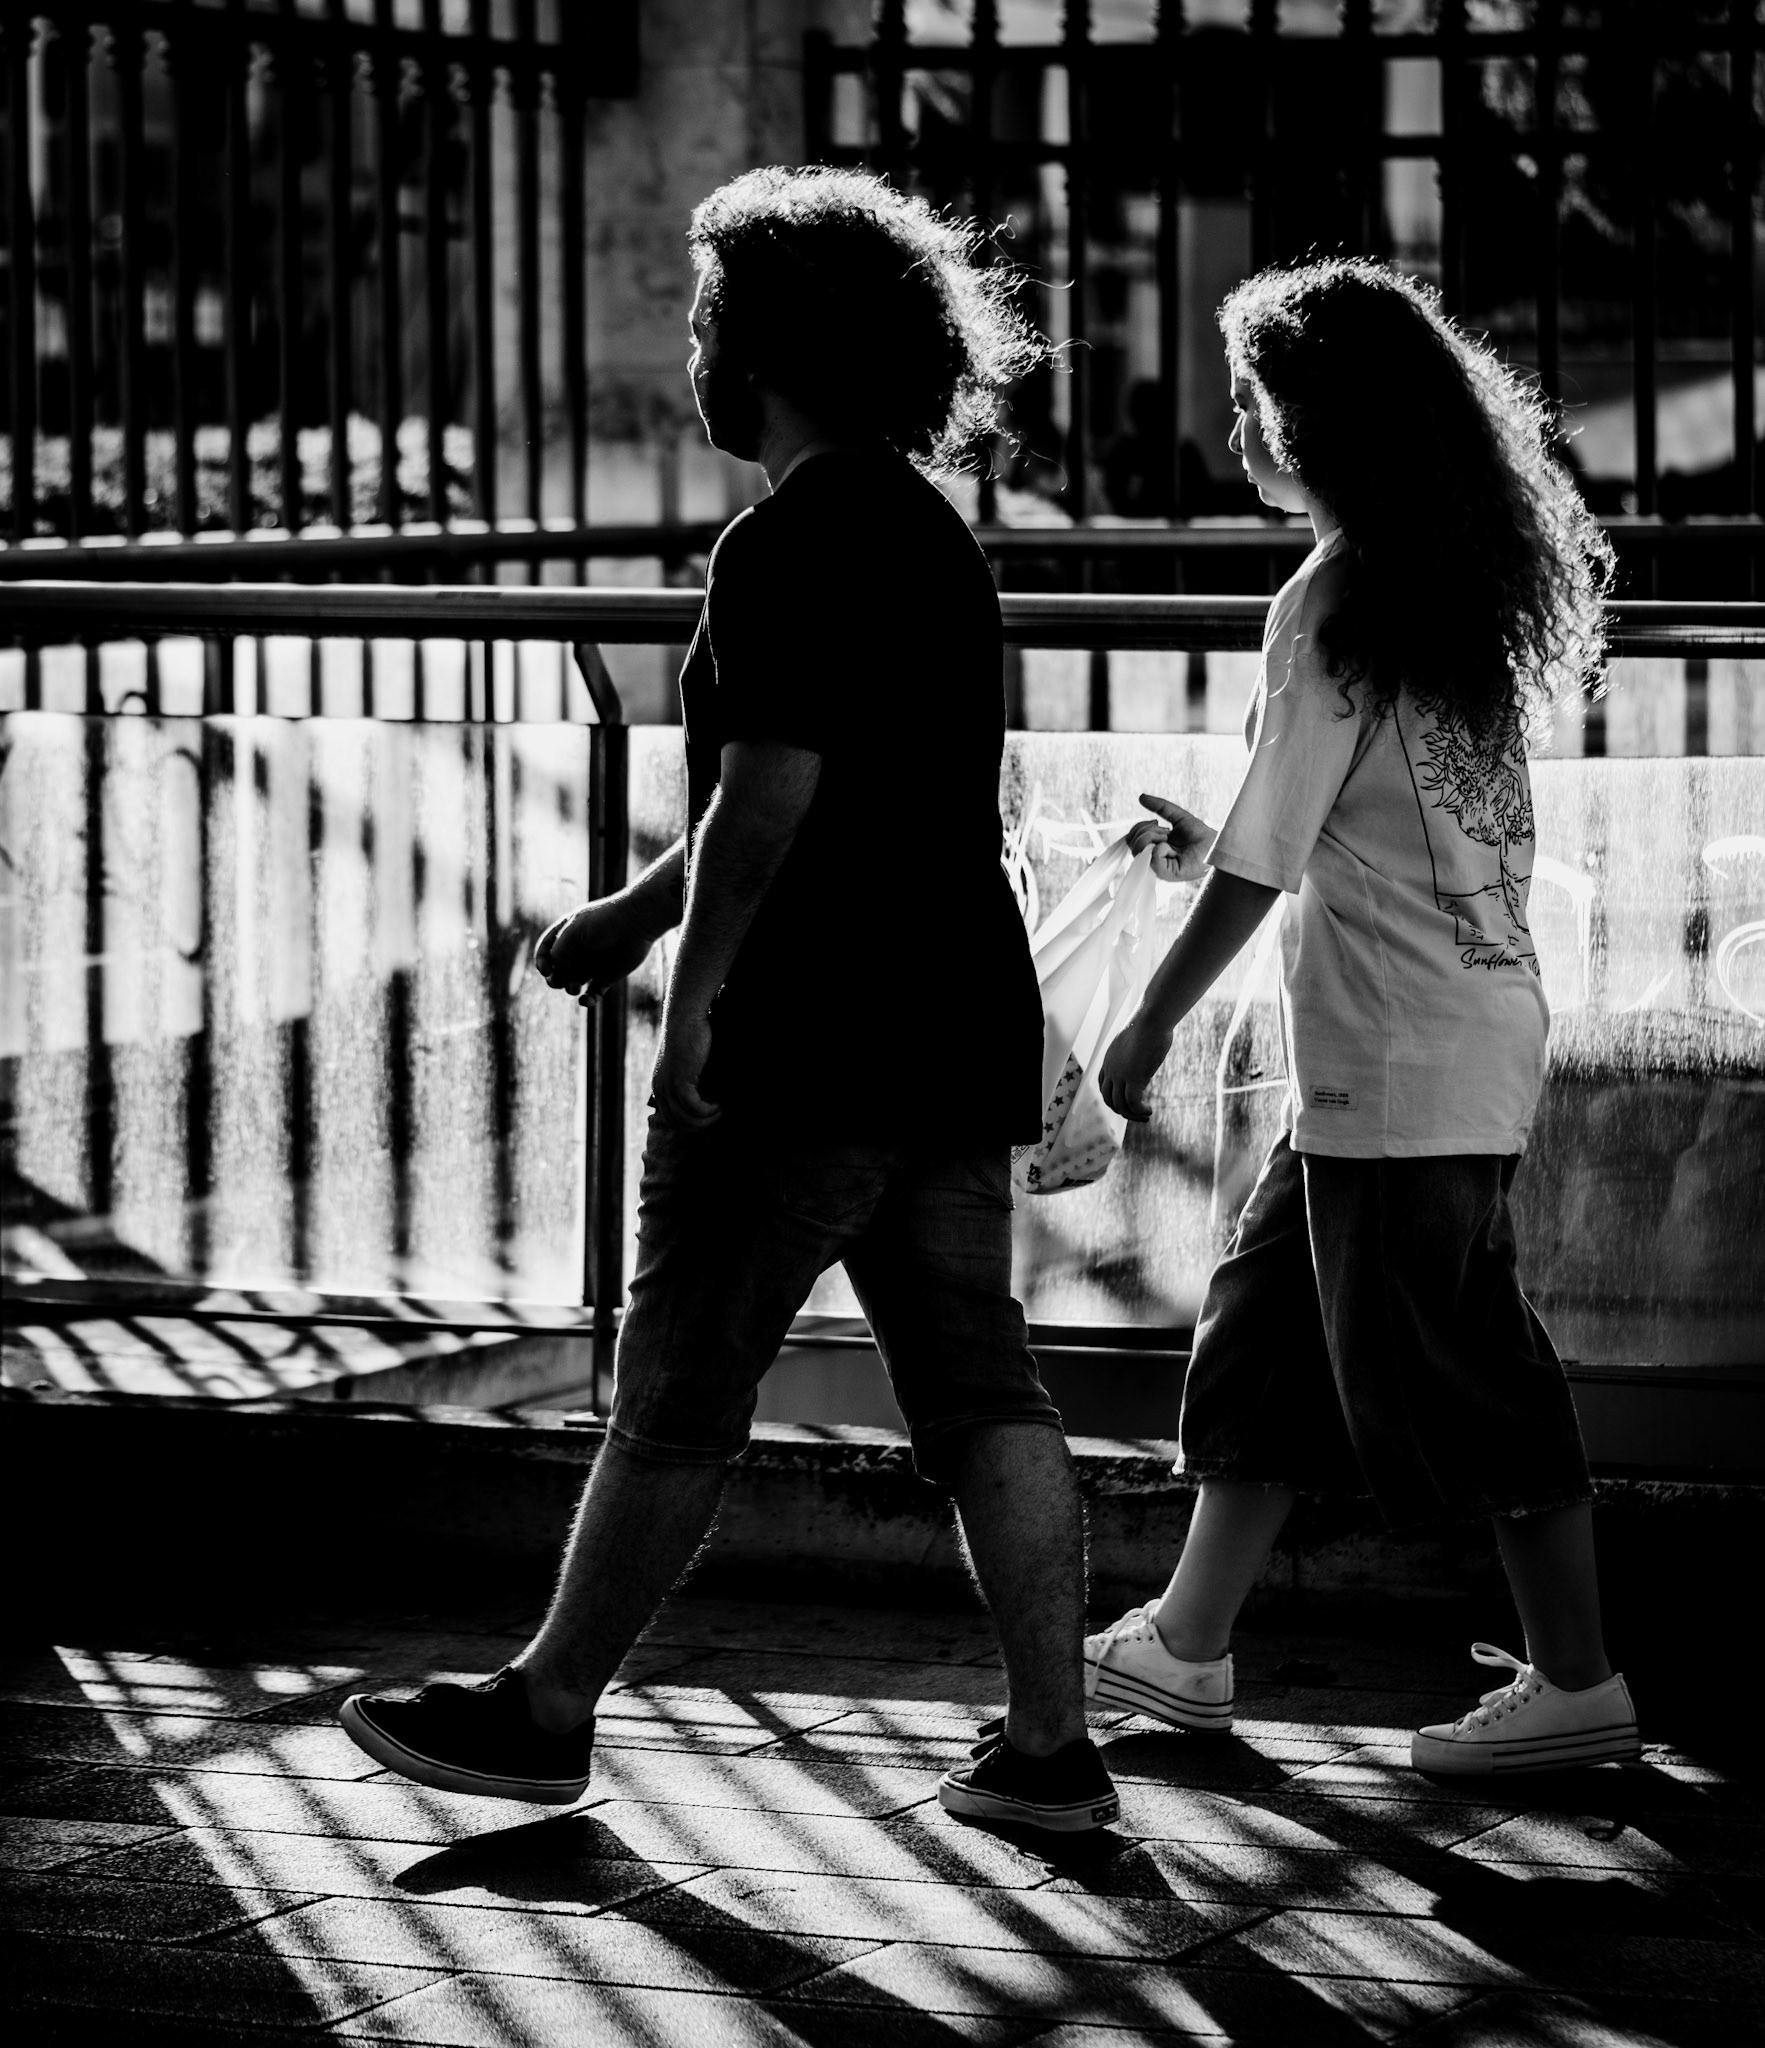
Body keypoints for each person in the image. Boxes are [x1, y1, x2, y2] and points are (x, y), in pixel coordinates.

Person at [338, 165, 1119, 1835]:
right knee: (984, 1389)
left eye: (701, 320)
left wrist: (693, 1008)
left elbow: (772, 791)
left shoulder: (780, 540)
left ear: (758, 352)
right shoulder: (926, 531)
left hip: (808, 1040)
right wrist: (634, 907)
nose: (688, 351)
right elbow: (853, 783)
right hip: (947, 1024)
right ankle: (1053, 1749)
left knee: (676, 1394)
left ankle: (545, 1713)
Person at [1083, 257, 1639, 1777]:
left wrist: (1138, 1034)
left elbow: (1271, 856)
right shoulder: (1433, 574)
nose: (1237, 433)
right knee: (1266, 1335)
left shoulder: (1332, 591)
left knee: (1467, 1372)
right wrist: (1224, 850)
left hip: (1398, 1052)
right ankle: (1186, 1646)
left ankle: (1575, 1685)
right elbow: (1349, 826)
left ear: (1311, 421)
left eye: (1252, 403)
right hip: (1436, 1032)